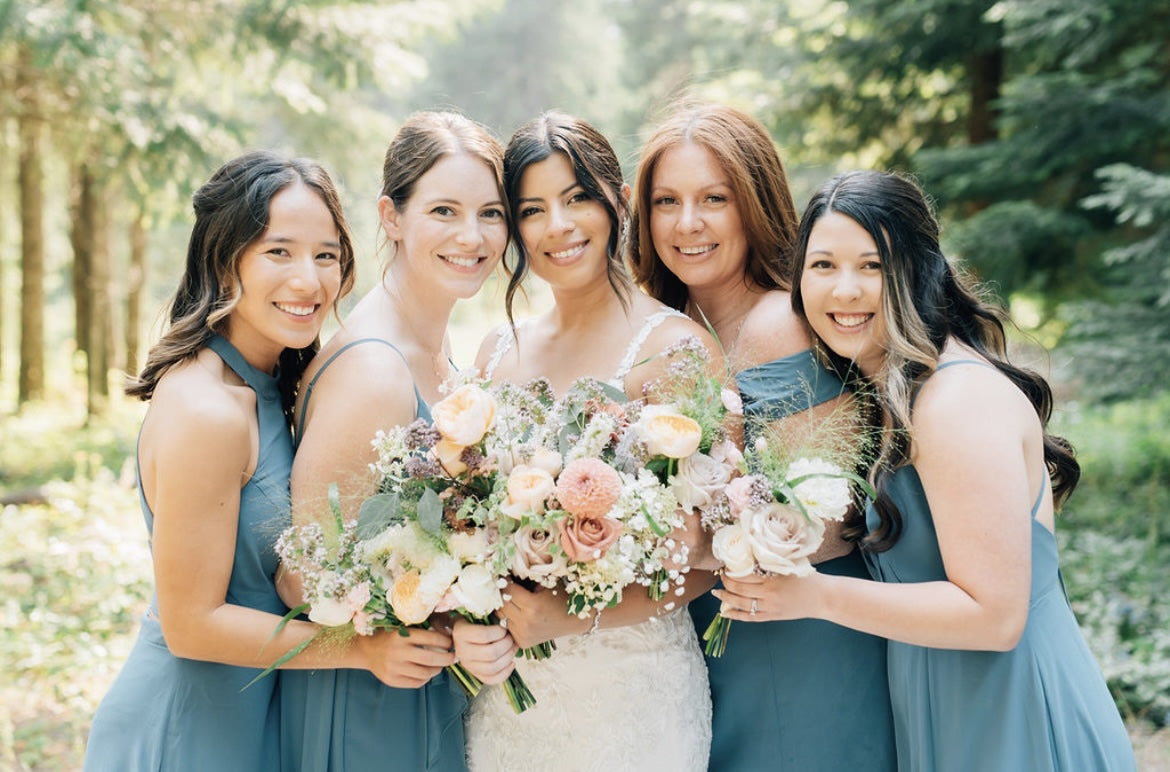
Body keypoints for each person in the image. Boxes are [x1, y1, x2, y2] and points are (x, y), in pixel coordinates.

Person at [717, 169, 1137, 771]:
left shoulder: (955, 399)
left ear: (917, 270)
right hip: (947, 710)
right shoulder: (896, 393)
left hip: (1014, 717)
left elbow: (995, 616)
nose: (845, 290)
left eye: (872, 266)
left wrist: (814, 595)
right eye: (823, 266)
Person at [84, 150, 375, 770]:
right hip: (184, 727)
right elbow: (192, 624)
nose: (310, 279)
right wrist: (360, 649)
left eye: (326, 255)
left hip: (246, 717)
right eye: (279, 251)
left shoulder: (275, 383)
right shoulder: (208, 409)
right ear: (224, 259)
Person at [629, 101, 897, 771]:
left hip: (797, 646)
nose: (687, 223)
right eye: (666, 201)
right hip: (719, 637)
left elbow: (831, 519)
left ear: (752, 201)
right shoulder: (670, 330)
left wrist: (672, 543)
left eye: (713, 198)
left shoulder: (780, 322)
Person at [453, 111, 718, 771]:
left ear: (618, 200)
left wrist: (567, 618)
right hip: (512, 698)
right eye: (533, 209)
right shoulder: (494, 352)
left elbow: (702, 556)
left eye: (577, 198)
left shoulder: (676, 348)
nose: (560, 227)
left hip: (635, 693)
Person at [277, 111, 508, 772]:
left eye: (490, 213)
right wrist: (430, 623)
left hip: (419, 682)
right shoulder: (375, 368)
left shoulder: (438, 351)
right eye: (444, 210)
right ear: (391, 215)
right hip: (367, 703)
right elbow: (303, 574)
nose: (472, 236)